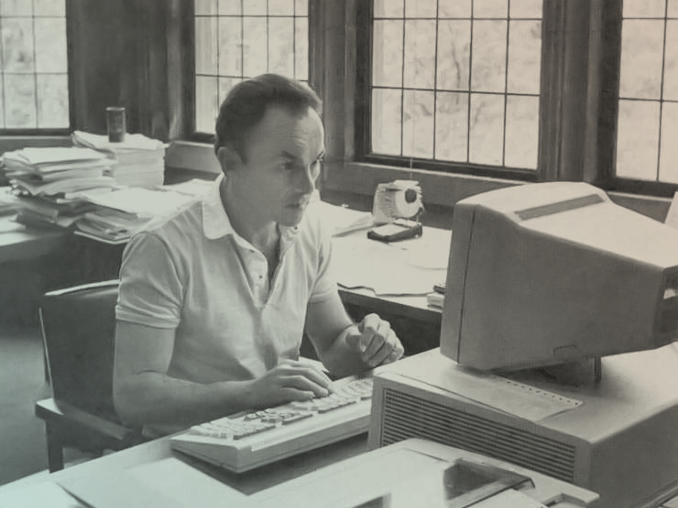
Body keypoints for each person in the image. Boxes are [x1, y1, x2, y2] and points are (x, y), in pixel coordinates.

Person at [113, 74, 404, 434]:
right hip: (187, 449)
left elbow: (331, 342)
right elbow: (133, 396)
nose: (310, 185)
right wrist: (247, 394)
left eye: (316, 162)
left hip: (280, 431)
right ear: (230, 163)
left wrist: (365, 345)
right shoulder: (163, 247)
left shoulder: (309, 225)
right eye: (287, 166)